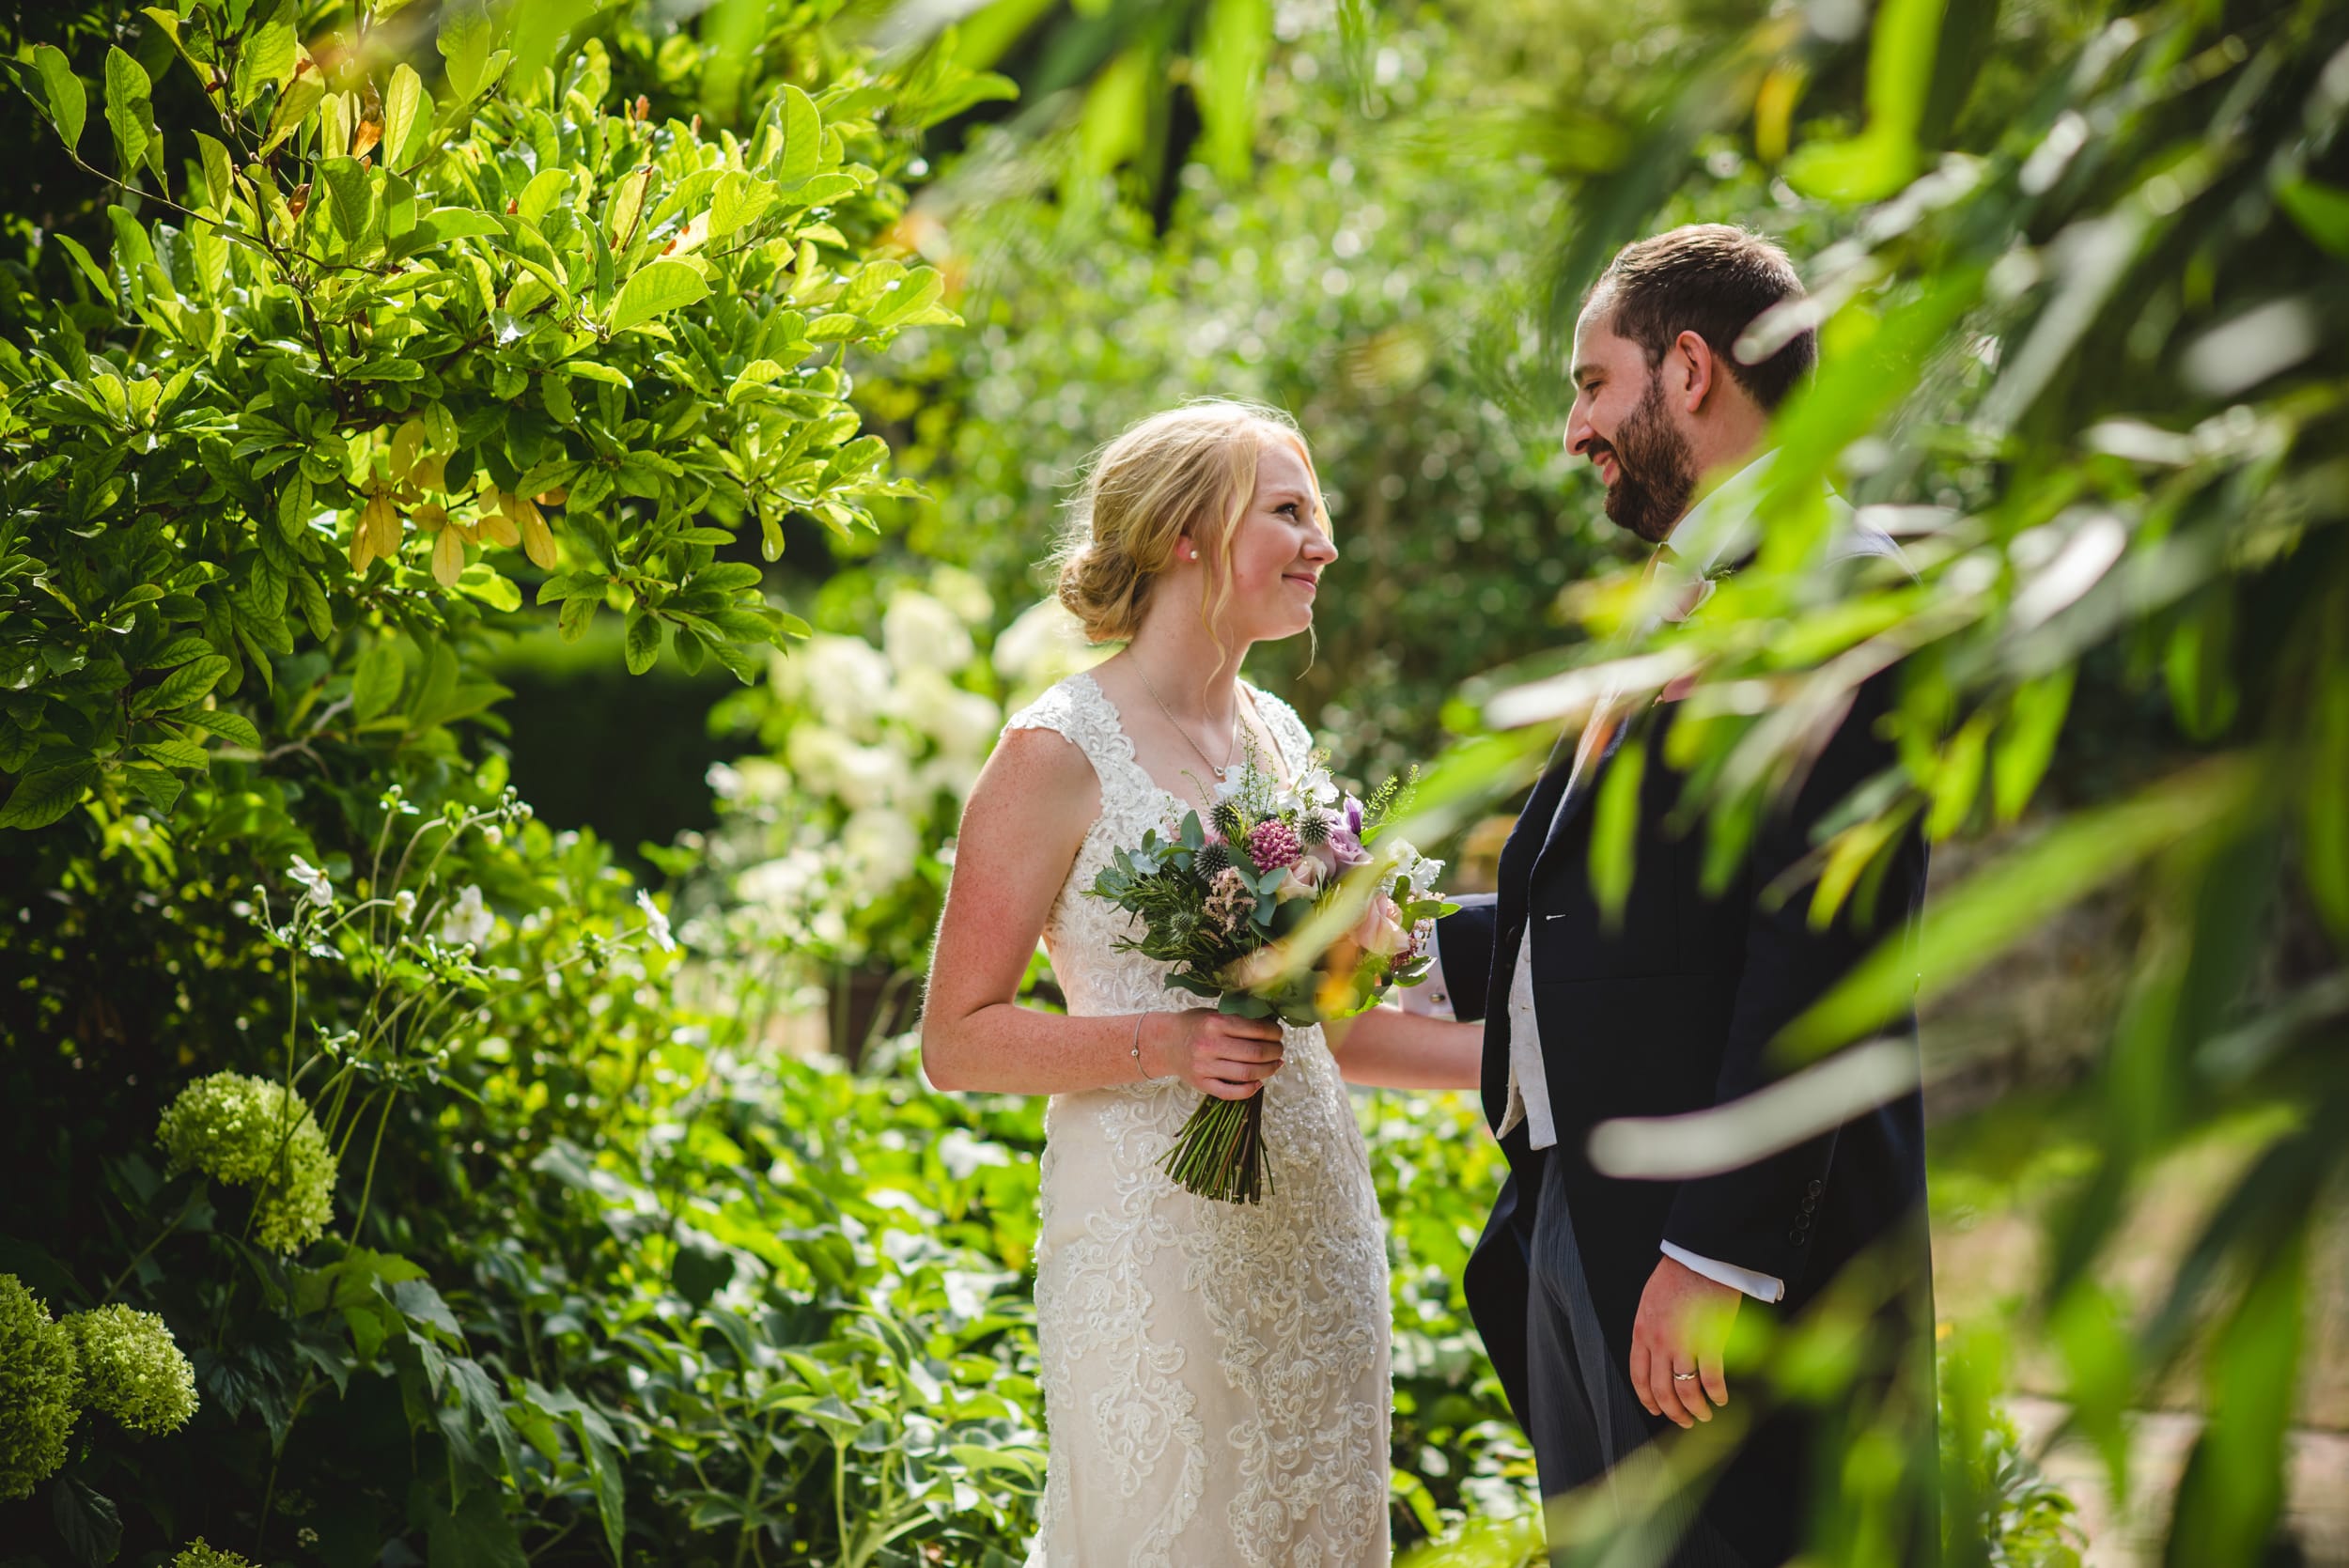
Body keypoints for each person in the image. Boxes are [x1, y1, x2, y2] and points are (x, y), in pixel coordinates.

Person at [1428, 225, 1937, 1566]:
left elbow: (1819, 951)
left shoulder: (1842, 593)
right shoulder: (1676, 593)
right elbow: (1616, 893)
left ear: (1691, 369)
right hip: (1579, 1224)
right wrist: (1418, 953)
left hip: (1716, 1265)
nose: (1574, 431)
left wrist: (1719, 1254)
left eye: (1593, 384)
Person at [921, 398, 1482, 1567]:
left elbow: (1331, 1031)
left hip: (1317, 1230)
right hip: (1153, 1243)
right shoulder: (1054, 752)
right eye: (1290, 511)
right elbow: (957, 1040)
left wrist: (1534, 1066)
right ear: (1187, 533)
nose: (1323, 542)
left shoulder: (1276, 733)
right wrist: (1164, 1045)